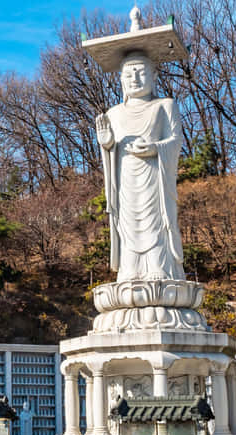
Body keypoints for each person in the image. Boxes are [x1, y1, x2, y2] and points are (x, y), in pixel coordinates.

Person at [96, 52, 185, 282]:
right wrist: (106, 143)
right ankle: (130, 268)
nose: (134, 78)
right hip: (125, 179)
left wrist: (156, 148)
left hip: (155, 176)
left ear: (154, 76)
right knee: (127, 223)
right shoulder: (113, 114)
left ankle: (159, 265)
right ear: (121, 80)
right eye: (128, 74)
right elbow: (110, 150)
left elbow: (175, 141)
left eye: (141, 72)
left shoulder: (165, 106)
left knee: (155, 219)